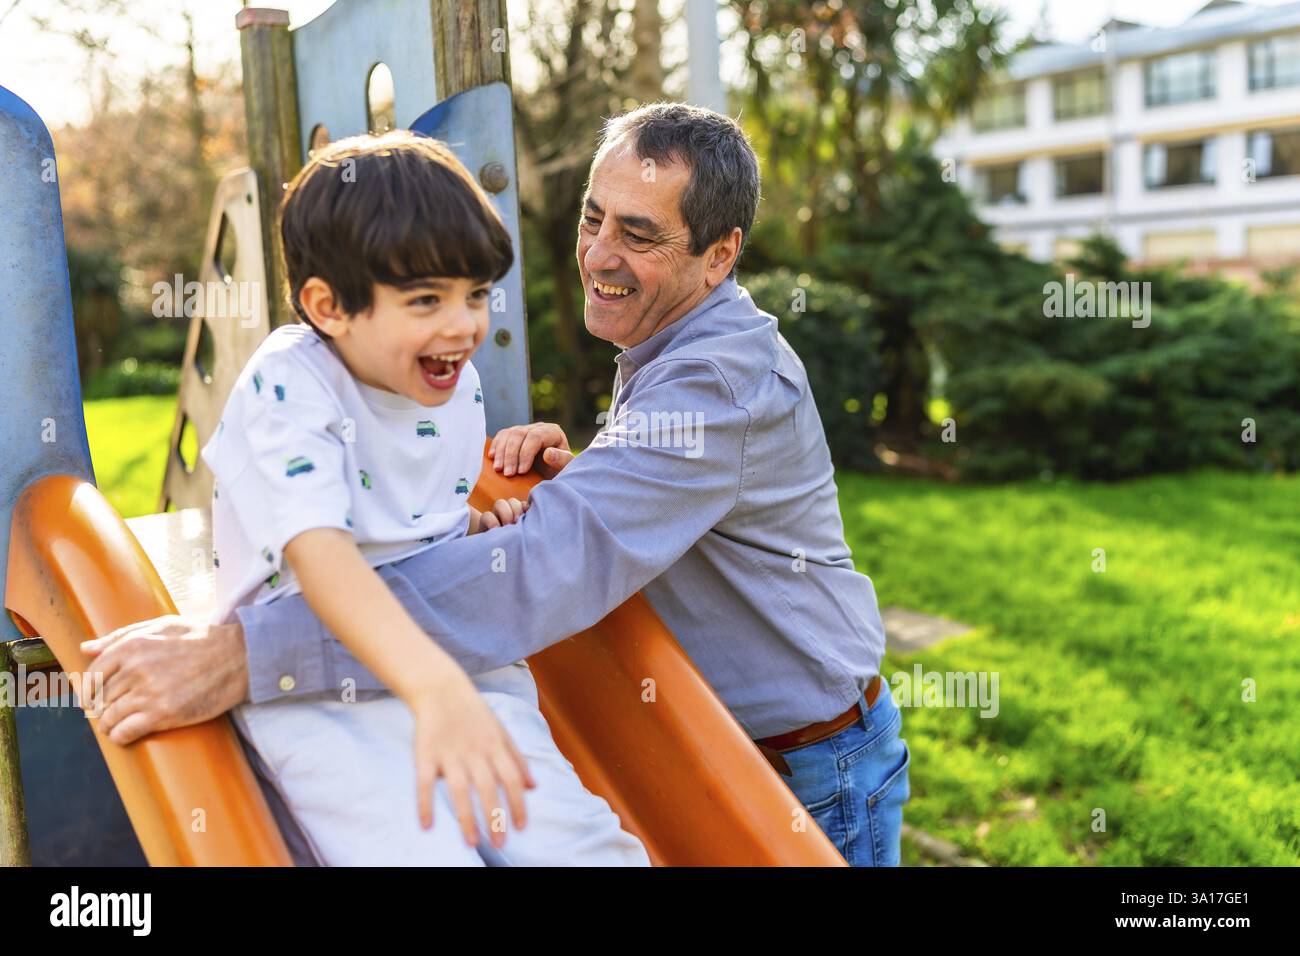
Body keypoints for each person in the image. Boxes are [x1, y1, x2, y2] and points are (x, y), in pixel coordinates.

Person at [84, 104, 908, 867]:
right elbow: (647, 509)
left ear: (719, 255)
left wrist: (245, 654)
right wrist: (586, 478)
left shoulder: (718, 384)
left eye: (639, 234)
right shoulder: (672, 339)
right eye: (592, 218)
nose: (597, 254)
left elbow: (556, 561)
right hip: (721, 736)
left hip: (806, 766)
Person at [197, 130, 648, 867]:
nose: (464, 325)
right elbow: (324, 554)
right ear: (328, 306)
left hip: (454, 658)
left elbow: (408, 526)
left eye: (474, 295)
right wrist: (432, 687)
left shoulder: (450, 383)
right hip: (312, 689)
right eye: (425, 299)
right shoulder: (290, 384)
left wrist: (471, 528)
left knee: (580, 845)